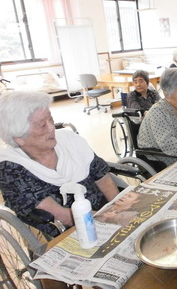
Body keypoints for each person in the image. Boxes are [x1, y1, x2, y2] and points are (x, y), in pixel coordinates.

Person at [0, 91, 120, 237]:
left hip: (104, 212)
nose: (51, 128)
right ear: (19, 138)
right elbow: (64, 217)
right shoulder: (11, 169)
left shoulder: (69, 140)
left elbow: (102, 176)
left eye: (50, 119)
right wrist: (111, 221)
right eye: (41, 125)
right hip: (69, 231)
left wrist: (119, 208)